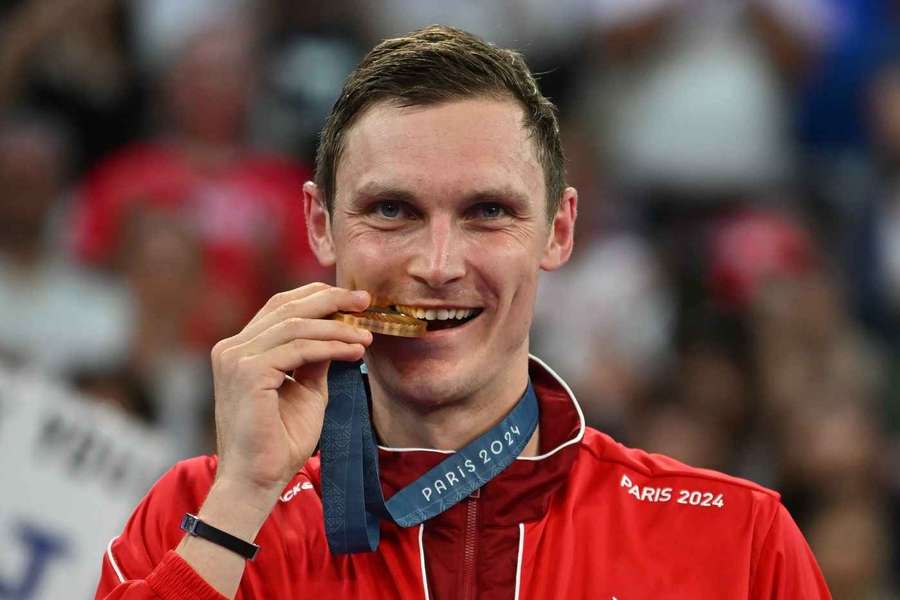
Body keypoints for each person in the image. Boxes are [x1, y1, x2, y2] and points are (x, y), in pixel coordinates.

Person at [94, 25, 831, 599]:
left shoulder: (732, 540)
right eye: (391, 210)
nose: (439, 265)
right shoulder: (198, 512)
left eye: (487, 212)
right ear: (320, 225)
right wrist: (243, 500)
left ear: (559, 230)